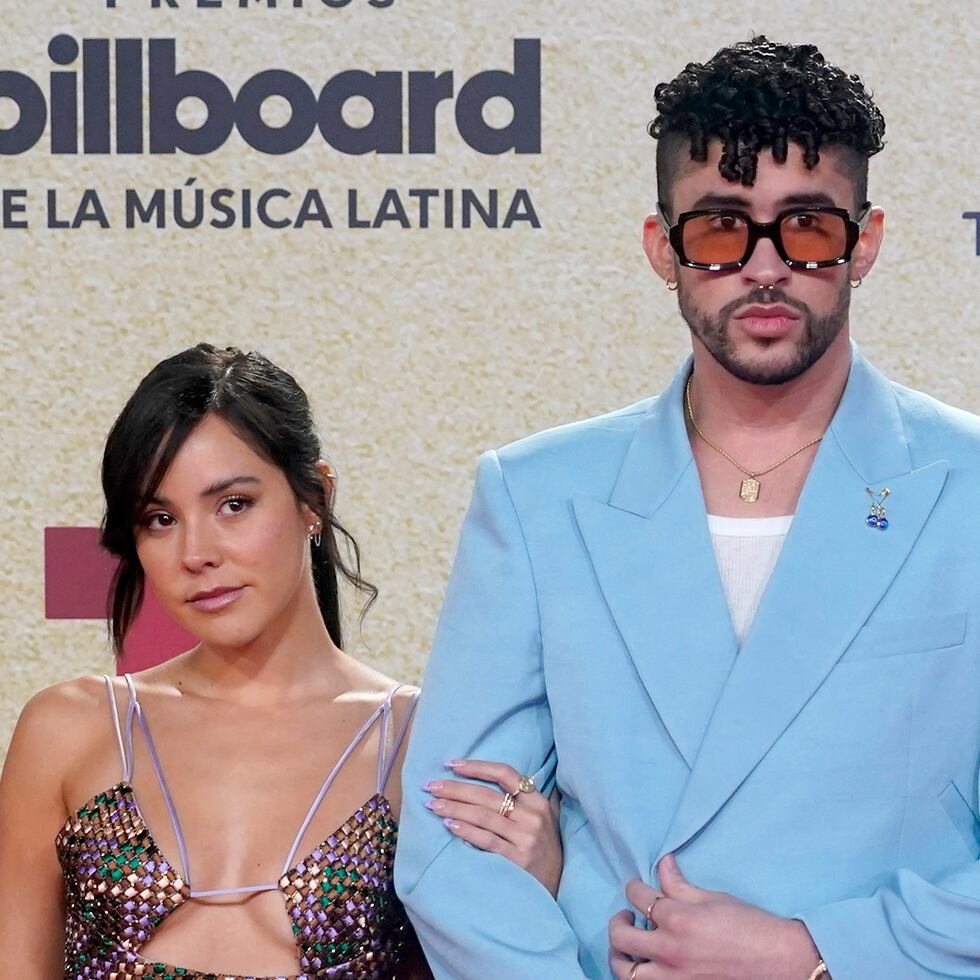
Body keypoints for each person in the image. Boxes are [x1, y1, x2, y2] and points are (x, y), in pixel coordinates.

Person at [396, 36, 980, 979]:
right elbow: (452, 847)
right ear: (661, 248)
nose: (763, 267)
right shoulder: (539, 497)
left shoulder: (970, 487)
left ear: (863, 243)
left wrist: (815, 953)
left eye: (807, 227)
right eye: (719, 229)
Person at [0, 344, 562, 978]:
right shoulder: (70, 730)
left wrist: (539, 888)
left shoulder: (421, 743)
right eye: (160, 519)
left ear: (313, 497)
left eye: (233, 504)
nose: (197, 552)